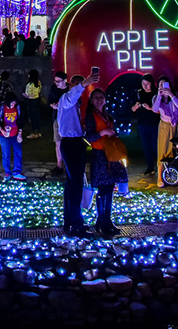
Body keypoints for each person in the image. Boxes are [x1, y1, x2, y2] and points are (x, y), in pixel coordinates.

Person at [57, 71, 99, 236]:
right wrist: (84, 83)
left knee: (73, 183)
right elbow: (72, 97)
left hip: (76, 141)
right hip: (71, 142)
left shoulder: (76, 103)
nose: (82, 90)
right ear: (72, 85)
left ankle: (70, 220)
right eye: (80, 86)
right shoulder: (67, 99)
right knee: (74, 184)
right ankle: (75, 222)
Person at [84, 88, 127, 236]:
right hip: (100, 155)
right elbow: (88, 137)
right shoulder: (91, 117)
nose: (99, 99)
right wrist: (102, 133)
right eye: (96, 97)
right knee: (103, 189)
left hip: (111, 155)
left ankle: (107, 220)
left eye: (101, 97)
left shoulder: (107, 116)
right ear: (91, 100)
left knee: (110, 188)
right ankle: (102, 220)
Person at [152, 77, 178, 187]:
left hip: (176, 125)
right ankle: (160, 176)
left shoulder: (174, 95)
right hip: (165, 126)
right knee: (163, 149)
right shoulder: (156, 97)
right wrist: (160, 96)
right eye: (161, 84)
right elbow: (155, 109)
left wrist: (171, 95)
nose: (163, 86)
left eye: (165, 84)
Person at [132, 74, 160, 176]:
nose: (145, 86)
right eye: (143, 84)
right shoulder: (139, 94)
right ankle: (150, 167)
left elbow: (159, 111)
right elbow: (132, 109)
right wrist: (135, 107)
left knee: (155, 146)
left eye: (147, 84)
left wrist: (150, 108)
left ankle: (160, 167)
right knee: (146, 146)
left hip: (154, 123)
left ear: (152, 84)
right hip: (142, 123)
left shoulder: (156, 93)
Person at [0, 92, 25, 181]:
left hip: (15, 134)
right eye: (11, 103)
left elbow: (21, 120)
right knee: (6, 154)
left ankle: (17, 172)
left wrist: (20, 133)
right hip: (4, 136)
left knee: (18, 153)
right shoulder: (1, 108)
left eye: (14, 103)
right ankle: (7, 172)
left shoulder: (18, 107)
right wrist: (2, 130)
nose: (13, 104)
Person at [47, 72, 68, 175]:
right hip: (57, 117)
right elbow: (50, 100)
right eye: (55, 81)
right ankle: (59, 165)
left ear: (65, 81)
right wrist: (53, 105)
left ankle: (68, 164)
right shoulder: (54, 88)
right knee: (58, 142)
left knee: (67, 142)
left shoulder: (69, 89)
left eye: (59, 81)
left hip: (68, 119)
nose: (56, 83)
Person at [22, 69, 42, 139]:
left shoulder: (30, 83)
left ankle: (34, 132)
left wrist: (24, 95)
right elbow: (39, 91)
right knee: (37, 117)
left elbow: (28, 94)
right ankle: (38, 132)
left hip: (31, 102)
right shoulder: (38, 82)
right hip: (37, 100)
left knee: (32, 117)